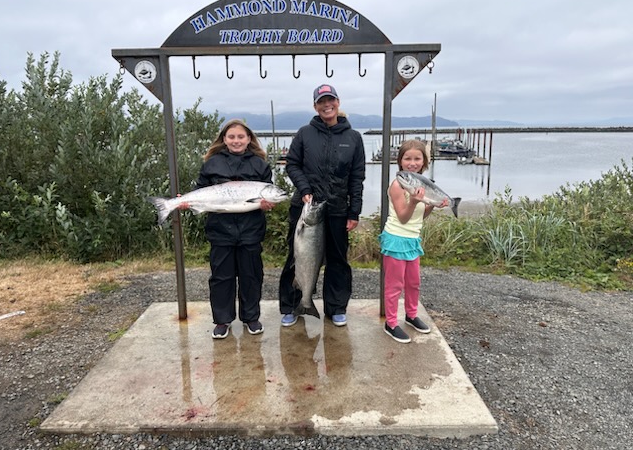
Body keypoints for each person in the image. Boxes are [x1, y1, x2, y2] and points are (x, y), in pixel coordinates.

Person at [279, 84, 366, 327]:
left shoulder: (354, 138)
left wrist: (354, 211)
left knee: (338, 260)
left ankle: (336, 307)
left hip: (338, 209)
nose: (327, 105)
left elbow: (357, 178)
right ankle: (292, 305)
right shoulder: (305, 133)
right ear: (315, 106)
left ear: (338, 102)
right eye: (321, 101)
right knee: (296, 257)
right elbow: (292, 164)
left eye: (331, 100)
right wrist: (305, 189)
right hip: (306, 209)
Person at [182, 119, 277, 339]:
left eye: (241, 137)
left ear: (249, 139)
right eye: (232, 137)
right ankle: (222, 320)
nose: (236, 141)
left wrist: (267, 204)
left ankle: (251, 317)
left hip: (251, 231)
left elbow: (268, 194)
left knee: (251, 276)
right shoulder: (211, 163)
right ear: (224, 139)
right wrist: (187, 201)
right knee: (221, 277)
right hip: (220, 230)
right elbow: (200, 190)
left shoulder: (260, 165)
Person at [379, 139, 448, 344]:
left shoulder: (422, 185)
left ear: (424, 162)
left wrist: (433, 205)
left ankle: (411, 315)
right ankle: (391, 323)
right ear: (400, 161)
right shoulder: (398, 185)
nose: (412, 162)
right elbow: (402, 216)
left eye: (417, 158)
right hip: (395, 239)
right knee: (394, 285)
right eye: (407, 158)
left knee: (413, 283)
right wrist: (414, 201)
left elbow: (420, 217)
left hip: (412, 240)